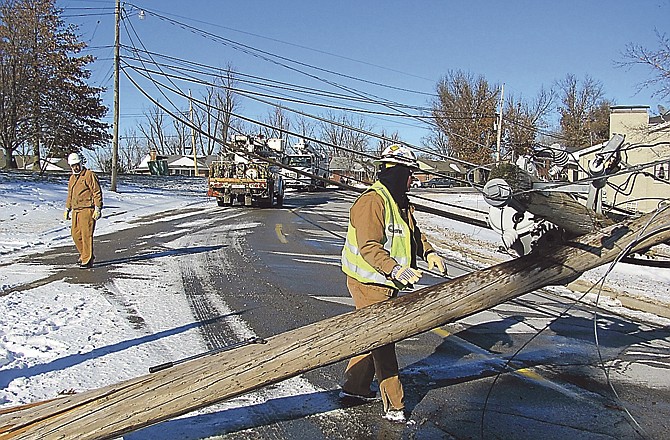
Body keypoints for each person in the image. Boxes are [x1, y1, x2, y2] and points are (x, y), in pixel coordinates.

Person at [339, 144, 446, 423]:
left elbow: (413, 233)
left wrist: (429, 251)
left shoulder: (398, 201)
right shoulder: (372, 201)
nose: (412, 179)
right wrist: (395, 269)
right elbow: (369, 247)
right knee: (384, 340)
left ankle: (354, 388)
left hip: (387, 282)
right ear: (397, 172)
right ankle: (395, 405)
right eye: (409, 173)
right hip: (368, 282)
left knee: (370, 336)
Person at [64, 152, 103, 269]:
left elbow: (96, 192)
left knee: (86, 235)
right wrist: (67, 209)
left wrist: (98, 208)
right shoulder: (72, 178)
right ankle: (85, 254)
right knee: (75, 235)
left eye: (77, 164)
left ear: (81, 163)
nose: (75, 167)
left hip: (87, 209)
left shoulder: (89, 175)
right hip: (76, 210)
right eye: (73, 166)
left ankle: (87, 259)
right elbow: (70, 195)